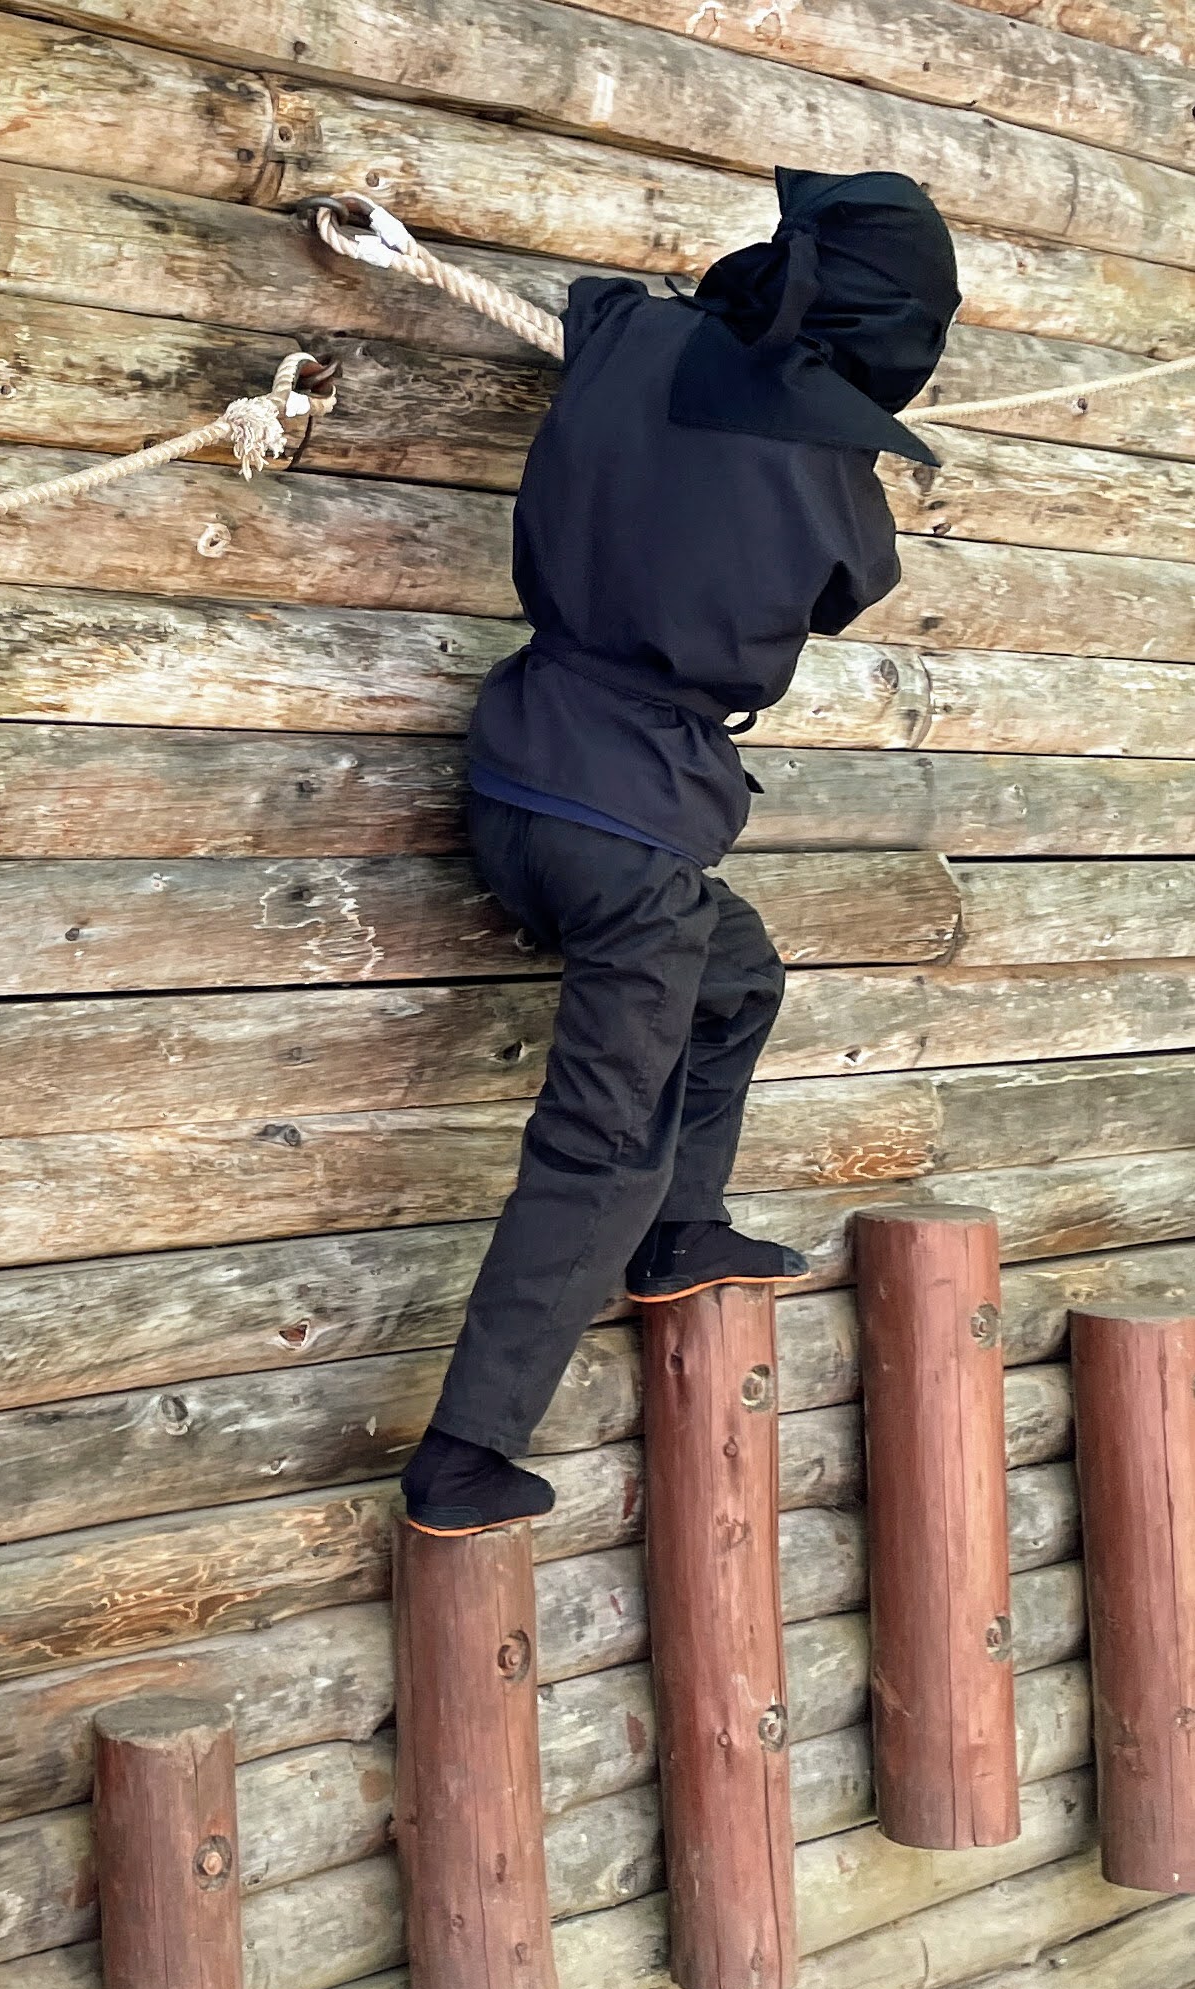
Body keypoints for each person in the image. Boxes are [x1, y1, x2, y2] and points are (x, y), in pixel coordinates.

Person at [401, 169, 961, 1535]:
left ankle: (681, 1230)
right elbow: (837, 592)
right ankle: (462, 1453)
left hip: (515, 778)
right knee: (599, 1139)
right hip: (631, 830)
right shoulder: (828, 478)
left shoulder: (633, 335)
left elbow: (613, 316)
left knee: (739, 974)